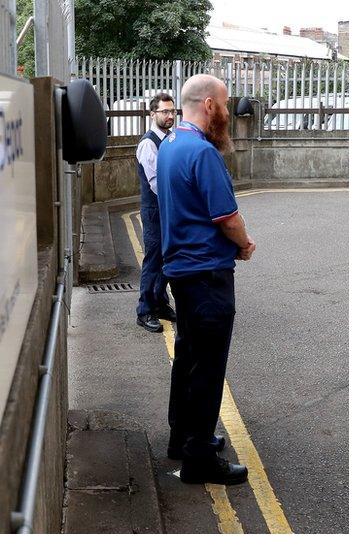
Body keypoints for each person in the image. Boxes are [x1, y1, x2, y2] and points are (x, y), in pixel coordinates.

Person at [157, 74, 255, 485]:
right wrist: (246, 244)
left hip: (181, 270)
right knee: (208, 367)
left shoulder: (169, 145)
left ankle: (182, 436)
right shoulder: (202, 152)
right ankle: (198, 458)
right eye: (226, 104)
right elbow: (227, 218)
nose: (229, 113)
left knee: (189, 356)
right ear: (210, 105)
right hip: (207, 273)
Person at [135, 92, 178, 333]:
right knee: (153, 260)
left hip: (169, 209)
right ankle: (144, 311)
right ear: (153, 114)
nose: (170, 115)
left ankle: (160, 303)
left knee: (168, 257)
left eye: (172, 111)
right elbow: (156, 183)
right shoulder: (149, 143)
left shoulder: (171, 139)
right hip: (155, 210)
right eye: (165, 112)